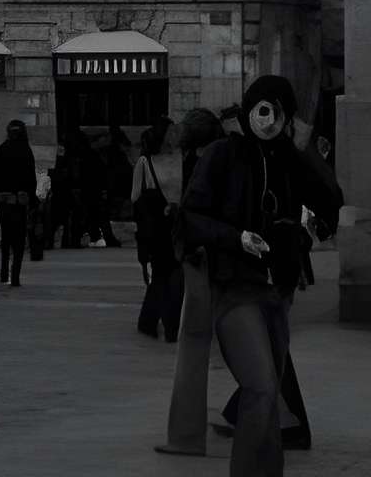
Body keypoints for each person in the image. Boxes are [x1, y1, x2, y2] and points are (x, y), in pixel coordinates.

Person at [178, 76, 341, 476]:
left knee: (267, 395)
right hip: (234, 288)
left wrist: (305, 147)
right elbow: (191, 218)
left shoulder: (290, 160)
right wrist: (236, 238)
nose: (268, 121)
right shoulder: (223, 155)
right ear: (249, 109)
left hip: (277, 290)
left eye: (278, 113)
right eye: (262, 110)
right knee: (262, 386)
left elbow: (329, 201)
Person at [158, 106, 223, 457]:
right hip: (228, 259)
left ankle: (185, 436)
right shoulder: (225, 155)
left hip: (203, 259)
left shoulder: (201, 161)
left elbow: (196, 212)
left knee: (194, 345)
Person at [132, 114, 185, 340]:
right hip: (157, 228)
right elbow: (136, 198)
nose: (176, 135)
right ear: (162, 135)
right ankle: (169, 326)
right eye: (172, 131)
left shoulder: (183, 157)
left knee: (173, 275)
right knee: (165, 275)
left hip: (180, 223)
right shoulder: (145, 162)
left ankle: (149, 321)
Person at [0, 118, 39, 288]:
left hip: (3, 197)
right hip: (20, 199)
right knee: (19, 238)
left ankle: (4, 273)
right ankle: (15, 276)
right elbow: (30, 176)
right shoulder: (25, 150)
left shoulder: (2, 149)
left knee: (6, 236)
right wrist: (31, 197)